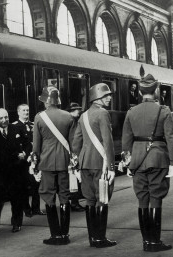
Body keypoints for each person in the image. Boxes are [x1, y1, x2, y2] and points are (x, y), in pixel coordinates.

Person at [122, 73, 173, 252]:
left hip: (137, 159)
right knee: (156, 197)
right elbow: (171, 137)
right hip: (158, 158)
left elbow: (126, 139)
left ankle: (146, 241)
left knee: (142, 198)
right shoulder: (164, 111)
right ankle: (155, 242)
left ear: (139, 91)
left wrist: (127, 161)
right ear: (156, 90)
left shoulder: (131, 112)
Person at [72, 84, 117, 248]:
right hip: (100, 163)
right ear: (97, 98)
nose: (109, 98)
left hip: (84, 163)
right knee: (102, 199)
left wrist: (75, 166)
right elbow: (108, 141)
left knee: (90, 200)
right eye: (107, 96)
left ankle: (93, 238)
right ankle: (100, 239)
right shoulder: (103, 113)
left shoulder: (83, 116)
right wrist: (111, 167)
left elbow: (76, 143)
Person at [32, 85, 76, 245]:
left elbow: (36, 146)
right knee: (64, 196)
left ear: (45, 101)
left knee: (49, 197)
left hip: (47, 163)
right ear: (57, 100)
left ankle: (55, 235)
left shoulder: (39, 117)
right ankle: (65, 235)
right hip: (65, 162)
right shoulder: (69, 117)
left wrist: (34, 165)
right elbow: (74, 144)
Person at [0, 108, 27, 233]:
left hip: (15, 171)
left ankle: (17, 223)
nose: (4, 120)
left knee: (16, 199)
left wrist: (24, 153)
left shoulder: (16, 129)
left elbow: (27, 143)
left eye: (6, 117)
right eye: (1, 118)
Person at [12, 104, 45, 217]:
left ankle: (36, 208)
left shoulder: (33, 124)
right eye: (23, 110)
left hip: (34, 160)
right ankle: (26, 209)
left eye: (27, 110)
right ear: (18, 112)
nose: (26, 112)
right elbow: (16, 144)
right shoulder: (14, 126)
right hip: (23, 162)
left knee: (36, 184)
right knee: (24, 185)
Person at [66, 102, 86, 212]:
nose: (78, 111)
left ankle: (73, 201)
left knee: (73, 179)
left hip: (71, 152)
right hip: (72, 153)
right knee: (73, 179)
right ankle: (74, 202)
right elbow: (74, 139)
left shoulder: (73, 121)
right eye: (76, 109)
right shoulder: (72, 122)